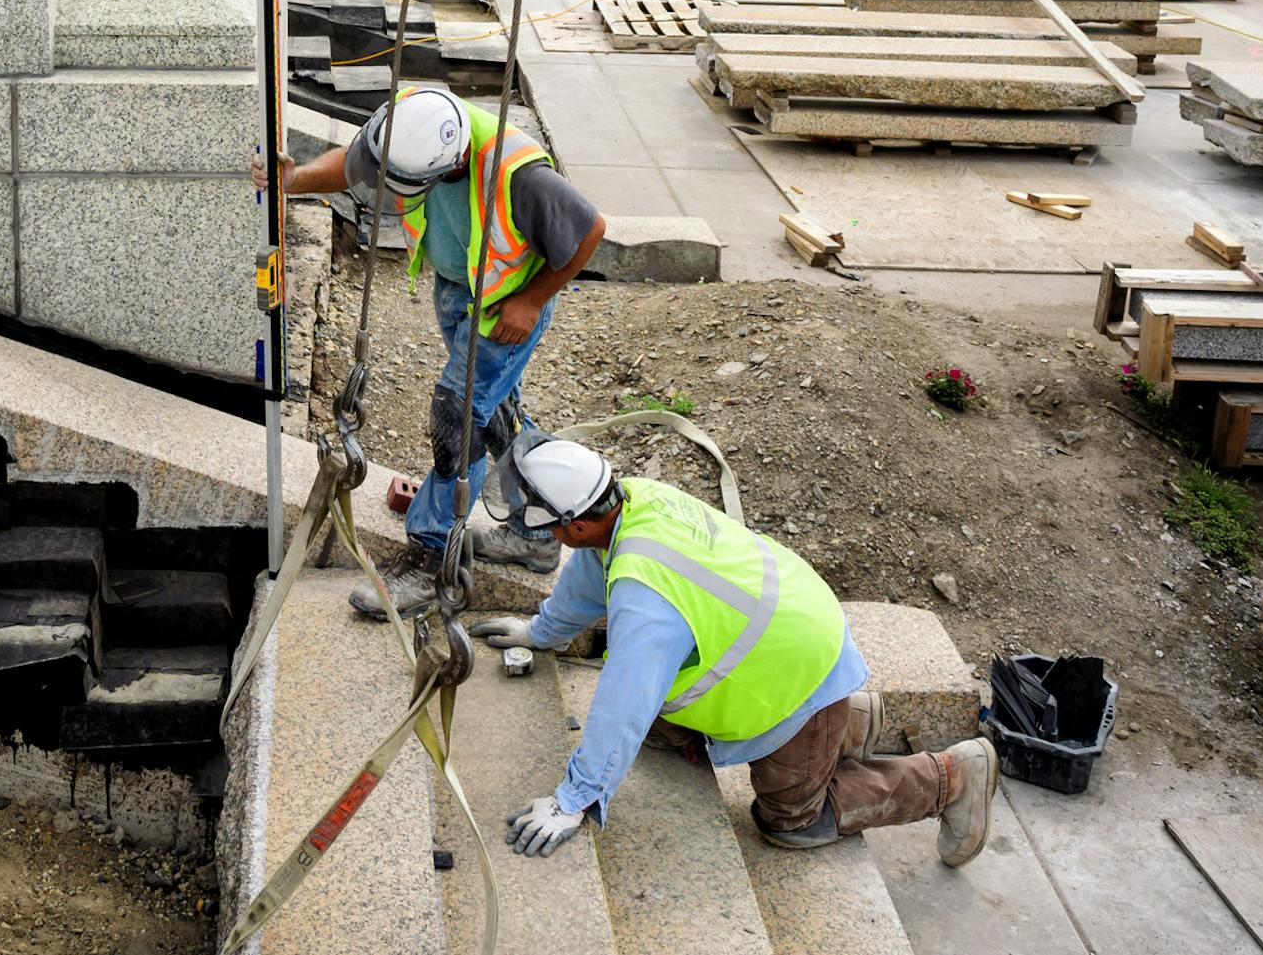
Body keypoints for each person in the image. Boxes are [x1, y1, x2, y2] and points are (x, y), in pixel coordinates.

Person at [467, 435, 1000, 868]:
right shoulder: (631, 499)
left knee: (789, 820)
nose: (531, 526)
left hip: (798, 673)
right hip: (791, 628)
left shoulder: (645, 601)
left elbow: (622, 707)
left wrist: (573, 800)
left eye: (543, 520)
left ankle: (949, 779)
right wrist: (540, 632)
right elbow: (588, 577)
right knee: (662, 729)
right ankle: (849, 724)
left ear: (576, 525)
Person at [264, 85, 606, 619]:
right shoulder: (411, 123)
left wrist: (533, 302)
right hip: (458, 288)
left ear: (454, 163)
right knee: (496, 416)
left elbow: (591, 229)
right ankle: (537, 530)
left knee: (455, 415)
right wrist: (294, 181)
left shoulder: (521, 174)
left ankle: (430, 555)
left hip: (503, 305)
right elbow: (356, 165)